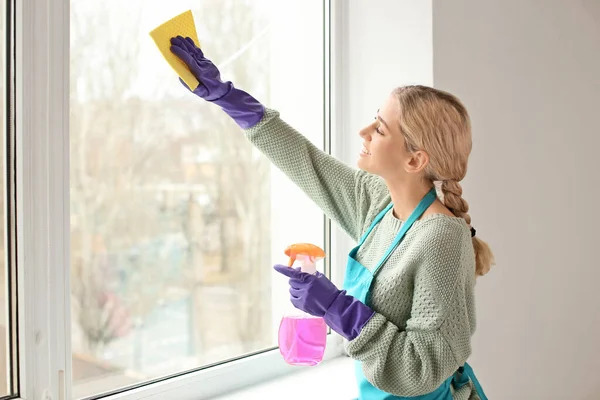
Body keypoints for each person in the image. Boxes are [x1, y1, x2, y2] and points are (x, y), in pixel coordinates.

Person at [170, 35, 494, 400]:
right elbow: (306, 162)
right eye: (375, 120)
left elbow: (417, 369)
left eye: (380, 129)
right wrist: (228, 97)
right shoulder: (379, 203)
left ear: (415, 160)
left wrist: (335, 306)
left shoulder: (441, 239)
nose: (364, 132)